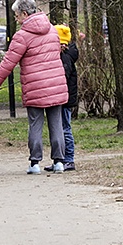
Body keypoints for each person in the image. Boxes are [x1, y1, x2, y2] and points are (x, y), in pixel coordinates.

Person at [0, 0, 69, 174]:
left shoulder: (22, 36)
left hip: (35, 88)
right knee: (56, 125)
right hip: (56, 85)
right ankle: (59, 161)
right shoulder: (53, 31)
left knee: (35, 126)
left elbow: (7, 63)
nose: (16, 19)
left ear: (24, 14)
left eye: (16, 15)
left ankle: (35, 163)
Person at [47, 24, 78, 172]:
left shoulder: (65, 58)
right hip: (61, 97)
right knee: (58, 129)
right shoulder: (64, 56)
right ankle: (59, 159)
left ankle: (69, 159)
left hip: (65, 99)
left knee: (65, 128)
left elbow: (62, 77)